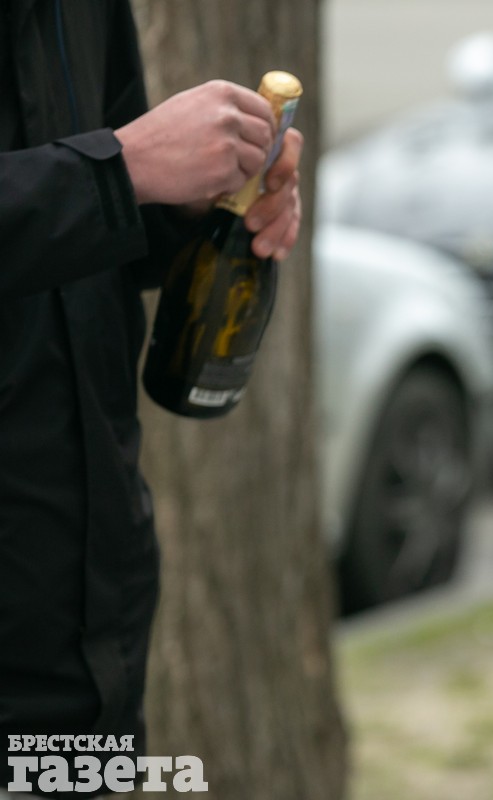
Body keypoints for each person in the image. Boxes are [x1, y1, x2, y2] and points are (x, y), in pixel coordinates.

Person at [0, 1, 302, 796]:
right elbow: (101, 174)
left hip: (90, 618)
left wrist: (202, 196)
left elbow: (92, 229)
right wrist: (117, 172)